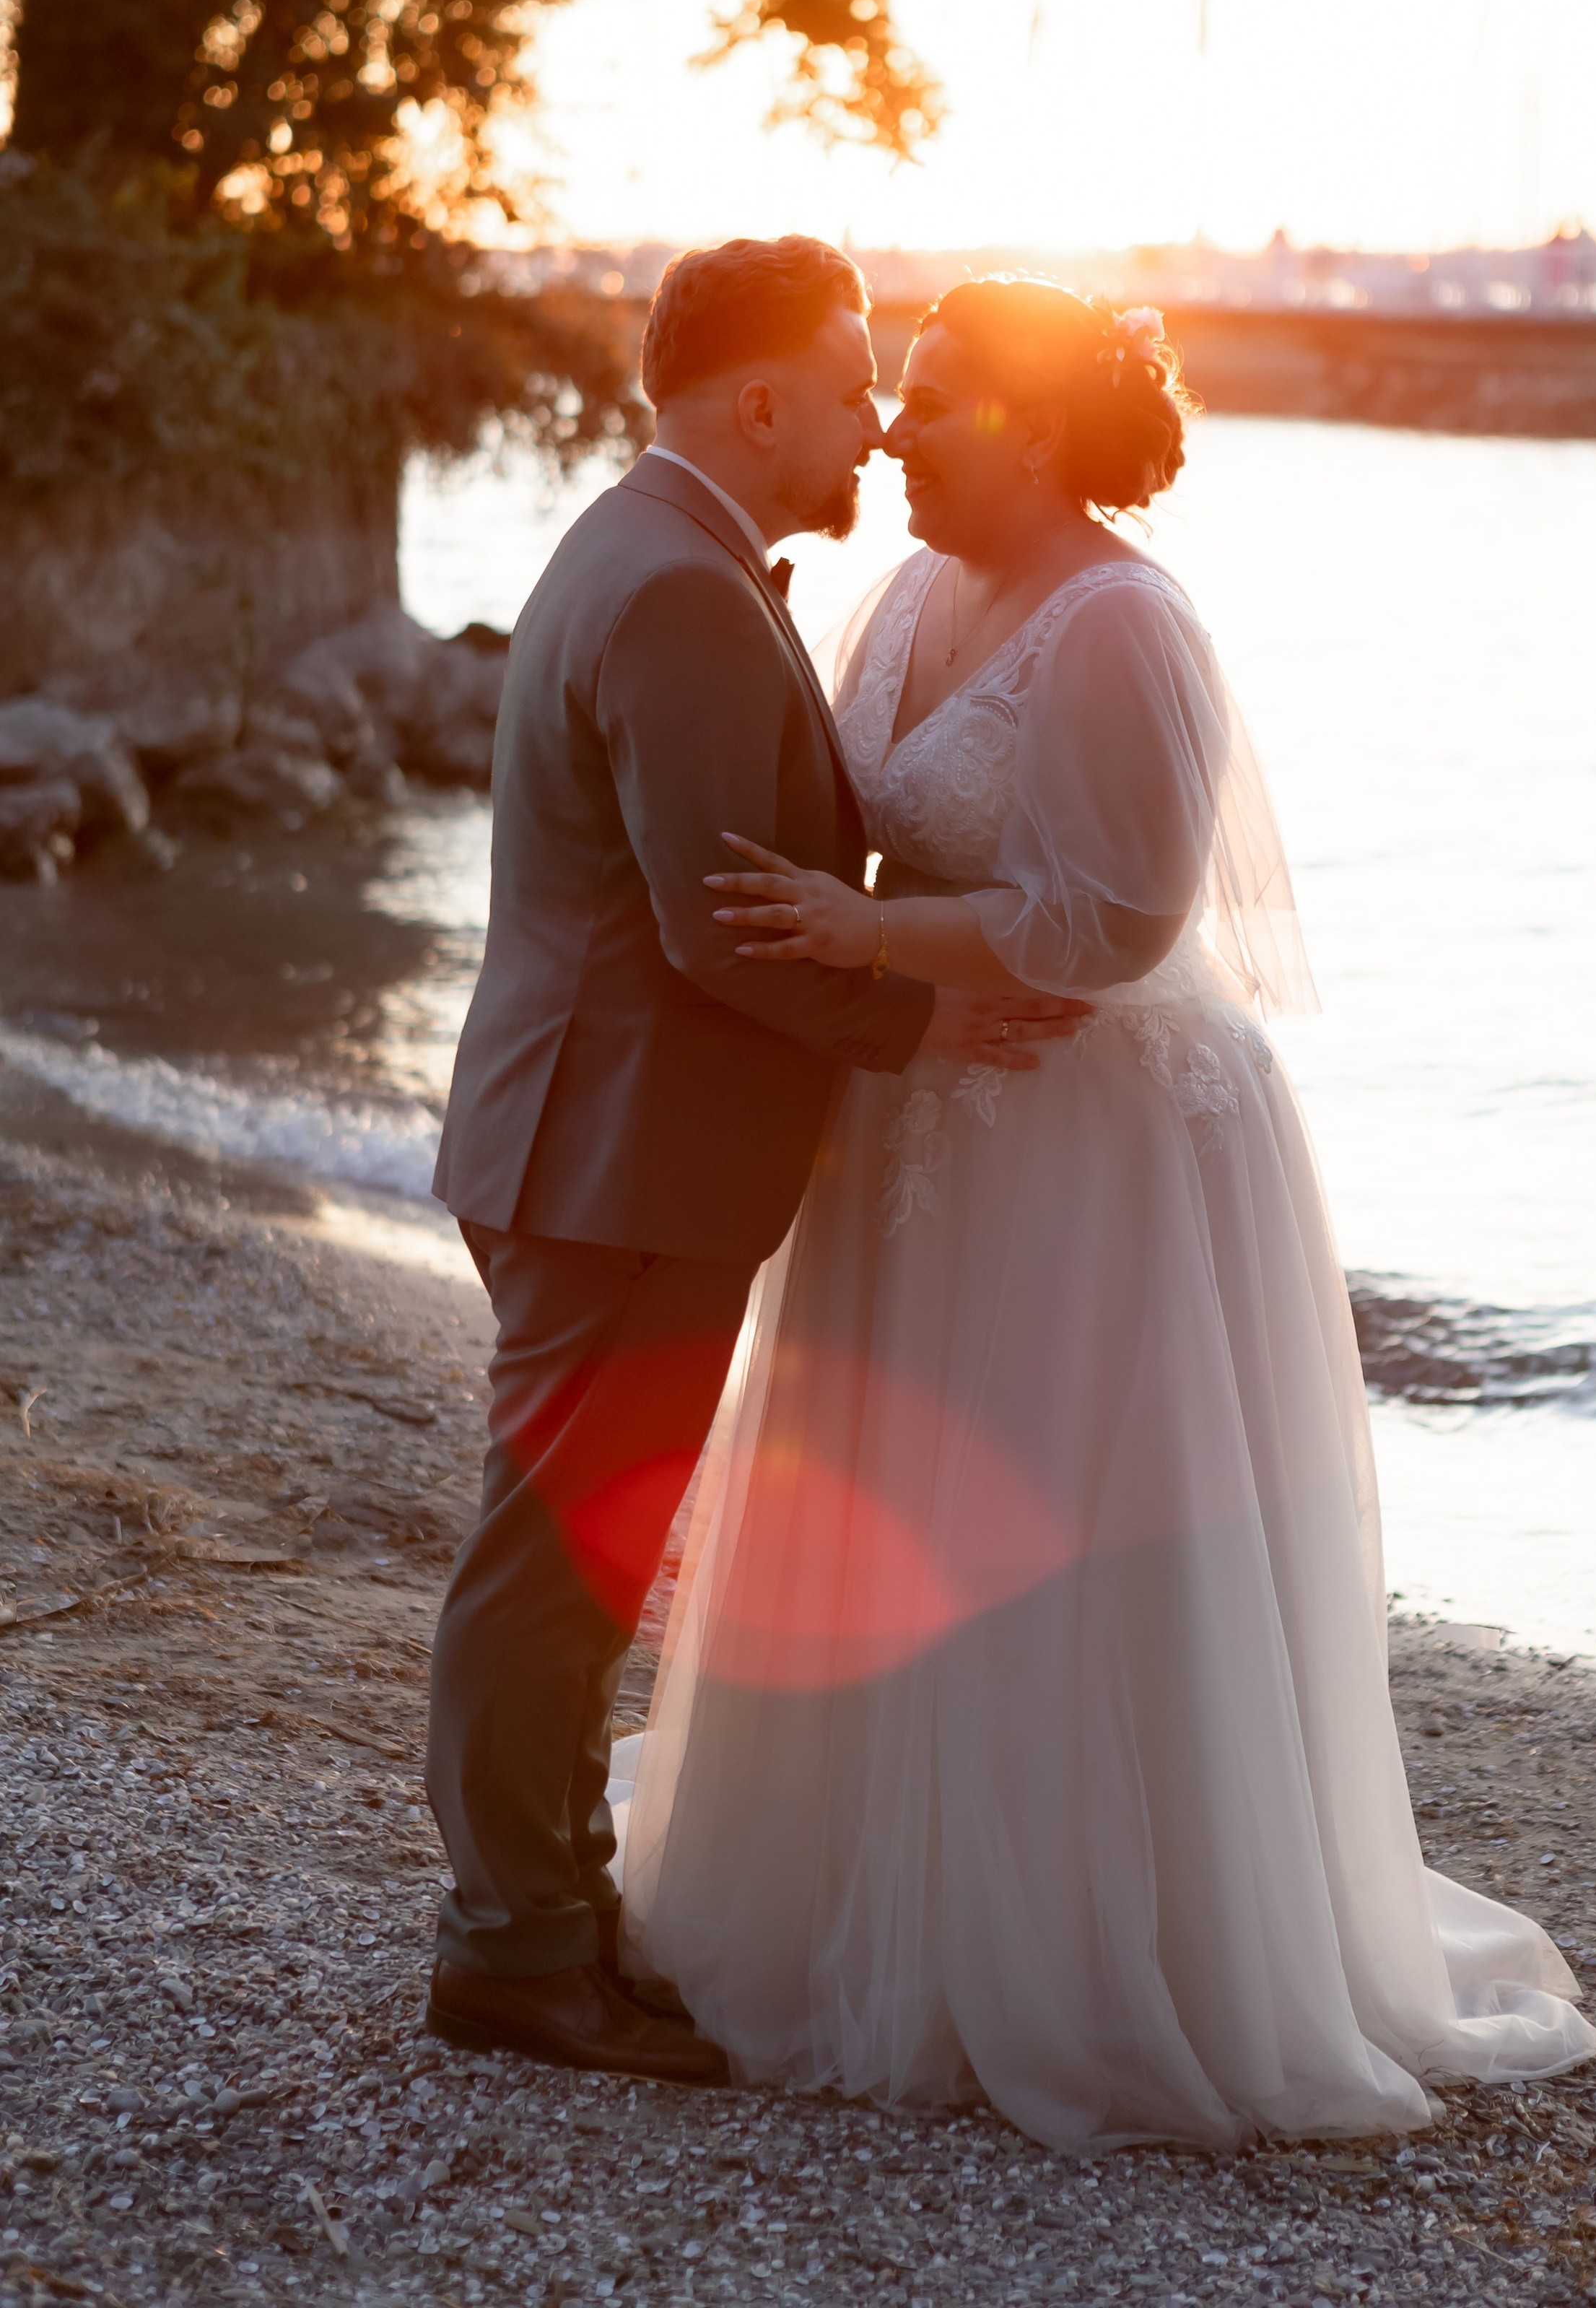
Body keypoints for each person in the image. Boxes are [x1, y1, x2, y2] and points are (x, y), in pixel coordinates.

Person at [615, 275, 1596, 2146]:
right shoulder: (907, 594)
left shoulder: (1127, 628)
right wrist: (827, 951)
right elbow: (851, 818)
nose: (895, 430)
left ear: (1045, 427)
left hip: (1107, 1136)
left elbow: (1118, 919)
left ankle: (1101, 1944)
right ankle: (863, 1897)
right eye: (890, 396)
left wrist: (862, 935)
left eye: (935, 400)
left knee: (1069, 1512)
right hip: (927, 1108)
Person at [422, 240, 1088, 2078]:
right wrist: (928, 1023)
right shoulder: (680, 591)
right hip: (614, 1152)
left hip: (602, 1140)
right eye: (853, 376)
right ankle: (510, 1951)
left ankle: (553, 1917)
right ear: (763, 399)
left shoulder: (661, 551)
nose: (877, 418)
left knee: (582, 1557)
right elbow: (721, 925)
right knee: (550, 1563)